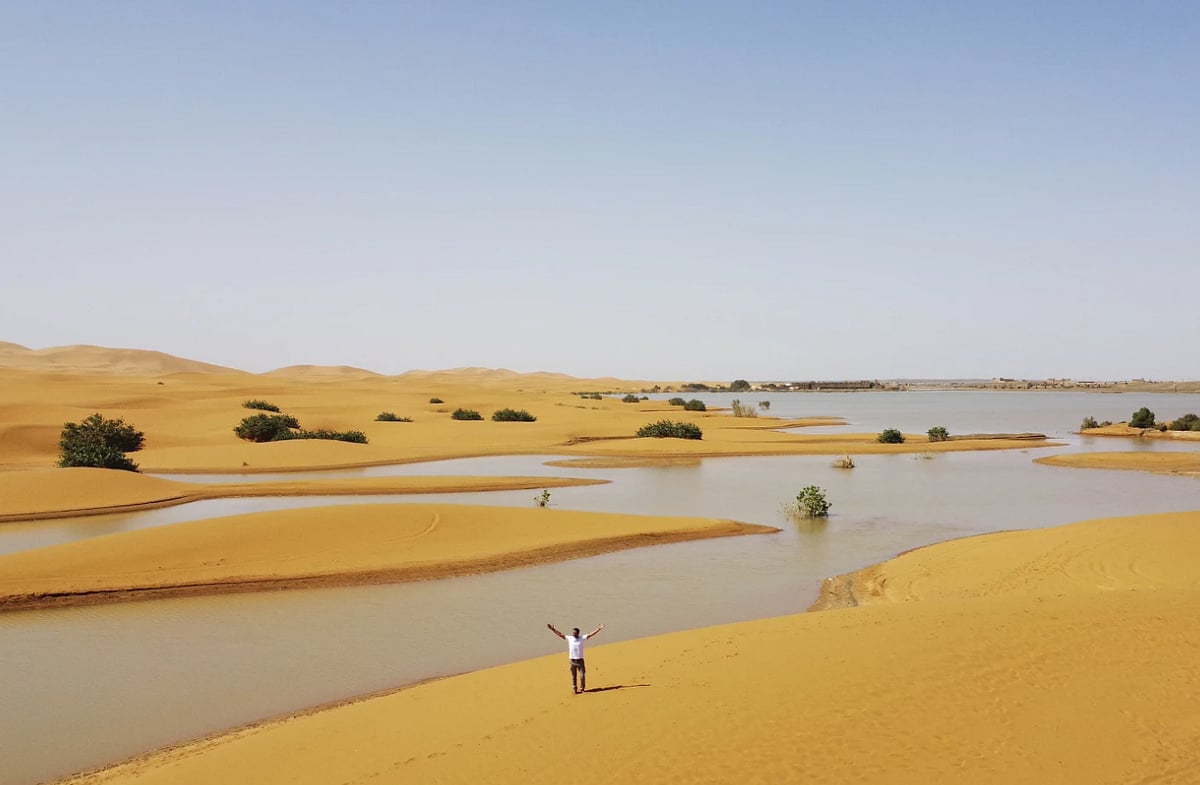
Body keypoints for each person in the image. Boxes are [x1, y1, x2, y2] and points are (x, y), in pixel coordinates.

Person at [546, 622, 604, 694]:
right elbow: (561, 635)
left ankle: (582, 688)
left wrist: (599, 629)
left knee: (582, 676)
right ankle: (574, 689)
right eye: (573, 633)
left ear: (578, 633)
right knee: (574, 676)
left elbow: (590, 635)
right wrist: (553, 629)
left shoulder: (582, 638)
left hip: (580, 661)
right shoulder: (570, 638)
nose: (573, 634)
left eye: (575, 633)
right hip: (572, 661)